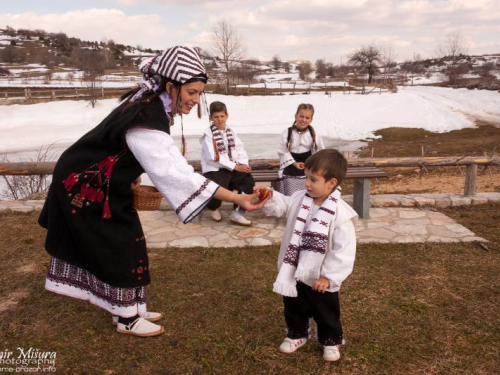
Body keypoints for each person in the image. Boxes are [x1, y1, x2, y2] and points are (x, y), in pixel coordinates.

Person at [38, 46, 267, 338]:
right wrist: (237, 198)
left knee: (129, 240)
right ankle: (126, 319)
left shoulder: (150, 102)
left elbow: (123, 148)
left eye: (199, 94)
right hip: (86, 181)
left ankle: (131, 307)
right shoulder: (147, 115)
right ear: (171, 86)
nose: (195, 101)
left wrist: (130, 175)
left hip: (101, 177)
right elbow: (175, 171)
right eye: (192, 92)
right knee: (119, 244)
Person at [259, 149, 357, 362]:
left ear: (331, 183)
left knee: (325, 309)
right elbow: (283, 206)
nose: (307, 183)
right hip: (294, 267)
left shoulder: (340, 213)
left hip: (320, 276)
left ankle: (331, 339)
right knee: (294, 304)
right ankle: (297, 333)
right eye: (307, 178)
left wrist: (329, 277)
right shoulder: (298, 198)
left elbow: (343, 249)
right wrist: (270, 196)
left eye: (313, 179)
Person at [200, 101, 255, 226]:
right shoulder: (208, 135)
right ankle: (214, 208)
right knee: (217, 186)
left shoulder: (231, 131)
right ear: (211, 118)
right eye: (216, 117)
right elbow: (213, 157)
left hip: (232, 165)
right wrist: (236, 167)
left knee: (248, 182)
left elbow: (240, 149)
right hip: (214, 167)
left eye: (222, 116)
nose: (219, 120)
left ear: (226, 116)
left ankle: (237, 213)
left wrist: (243, 164)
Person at [277, 103, 325, 196]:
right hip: (290, 167)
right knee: (291, 196)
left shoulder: (314, 133)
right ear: (296, 116)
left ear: (311, 120)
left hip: (308, 167)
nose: (303, 120)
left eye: (307, 118)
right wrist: (294, 163)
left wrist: (311, 164)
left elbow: (320, 152)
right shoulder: (287, 132)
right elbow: (282, 151)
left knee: (307, 195)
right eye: (301, 116)